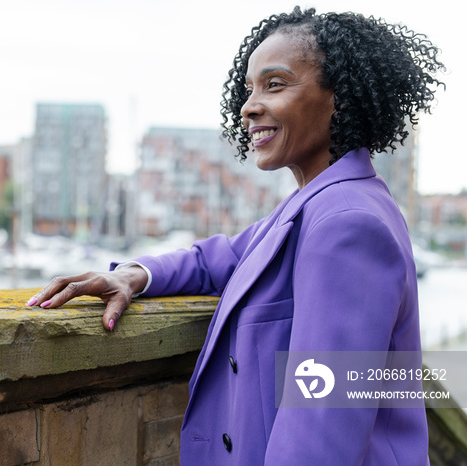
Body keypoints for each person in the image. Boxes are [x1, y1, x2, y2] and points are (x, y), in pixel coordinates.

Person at [26, 7, 444, 464]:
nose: (248, 106)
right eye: (249, 90)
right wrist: (133, 274)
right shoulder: (319, 204)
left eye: (275, 84)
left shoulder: (346, 223)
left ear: (339, 98)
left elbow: (322, 422)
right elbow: (219, 258)